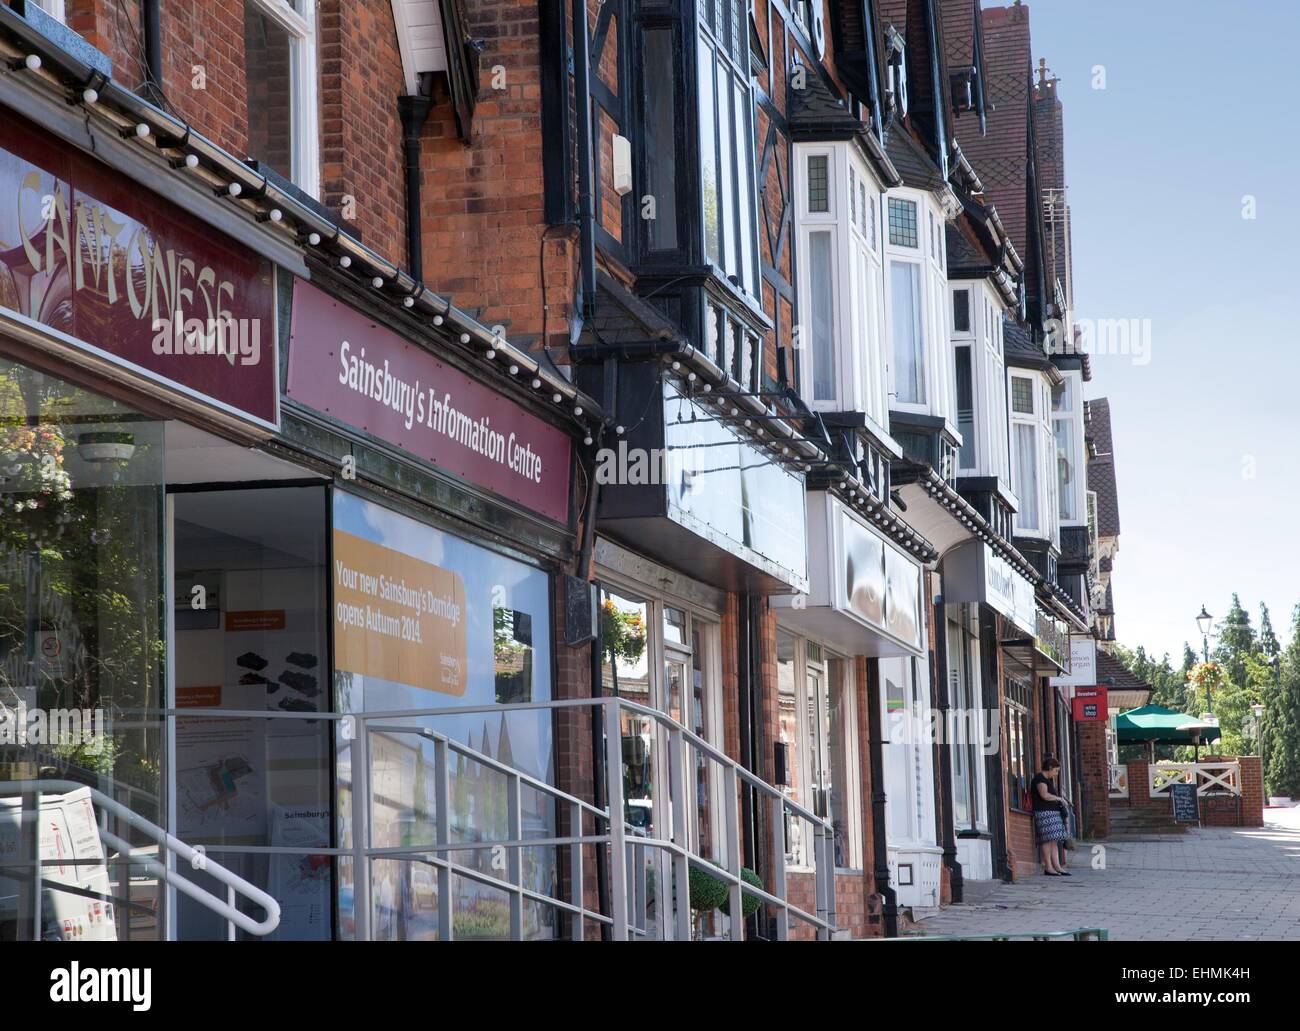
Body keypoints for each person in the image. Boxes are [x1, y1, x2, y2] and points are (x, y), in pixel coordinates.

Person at [1030, 756, 1070, 876]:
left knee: (1053, 841)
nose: (1056, 774)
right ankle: (1048, 867)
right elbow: (1044, 795)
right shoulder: (1040, 778)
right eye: (1056, 771)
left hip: (1051, 813)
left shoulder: (1047, 779)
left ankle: (1057, 867)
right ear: (1050, 768)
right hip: (1044, 813)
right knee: (1047, 841)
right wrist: (1059, 798)